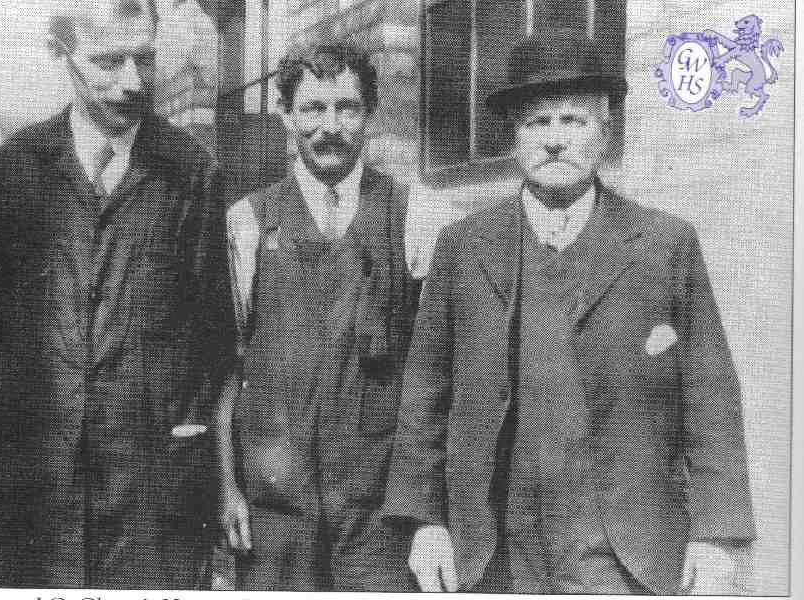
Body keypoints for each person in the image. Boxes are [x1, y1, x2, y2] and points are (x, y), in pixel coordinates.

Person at [380, 33, 755, 594]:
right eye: (538, 123)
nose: (555, 140)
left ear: (605, 132)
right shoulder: (463, 245)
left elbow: (710, 393)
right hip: (495, 545)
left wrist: (717, 534)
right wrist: (426, 522)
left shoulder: (663, 243)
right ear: (515, 135)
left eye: (573, 121)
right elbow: (426, 388)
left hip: (623, 547)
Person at [0, 0, 235, 588]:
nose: (133, 82)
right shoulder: (17, 169)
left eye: (144, 58)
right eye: (108, 62)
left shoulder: (191, 173)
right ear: (63, 56)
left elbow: (214, 338)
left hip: (151, 502)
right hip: (35, 494)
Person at [217, 38, 444, 591]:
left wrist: (426, 511)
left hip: (378, 508)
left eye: (346, 108)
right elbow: (225, 370)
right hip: (276, 507)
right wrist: (228, 490)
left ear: (369, 115)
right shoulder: (247, 223)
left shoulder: (415, 215)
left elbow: (436, 375)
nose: (329, 126)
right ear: (288, 118)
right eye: (312, 109)